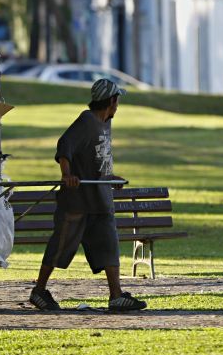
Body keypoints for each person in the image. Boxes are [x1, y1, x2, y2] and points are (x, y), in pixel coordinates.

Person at [28, 78, 147, 312]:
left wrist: (110, 177)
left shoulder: (105, 122)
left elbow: (97, 159)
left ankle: (116, 296)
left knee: (109, 245)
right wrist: (67, 174)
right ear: (111, 100)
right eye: (117, 100)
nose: (118, 105)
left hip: (101, 201)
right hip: (78, 202)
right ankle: (39, 291)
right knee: (60, 245)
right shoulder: (87, 121)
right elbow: (65, 146)